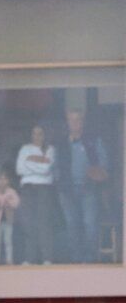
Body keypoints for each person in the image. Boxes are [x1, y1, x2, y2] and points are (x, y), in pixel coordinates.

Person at [56, 109, 108, 263]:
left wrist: (95, 175)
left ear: (82, 122)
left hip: (88, 189)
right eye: (71, 120)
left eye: (78, 119)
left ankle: (89, 260)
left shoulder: (93, 141)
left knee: (89, 224)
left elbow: (104, 164)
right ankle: (75, 261)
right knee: (71, 225)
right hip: (67, 190)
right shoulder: (61, 143)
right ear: (67, 123)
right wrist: (59, 182)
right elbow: (54, 167)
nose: (75, 123)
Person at [15, 125, 57, 265]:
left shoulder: (50, 149)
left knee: (44, 222)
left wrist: (29, 162)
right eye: (34, 133)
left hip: (44, 188)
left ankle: (47, 258)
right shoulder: (24, 149)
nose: (37, 136)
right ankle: (29, 258)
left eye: (40, 133)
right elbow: (19, 169)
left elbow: (46, 169)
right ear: (31, 135)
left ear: (44, 135)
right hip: (27, 189)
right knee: (28, 223)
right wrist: (38, 162)